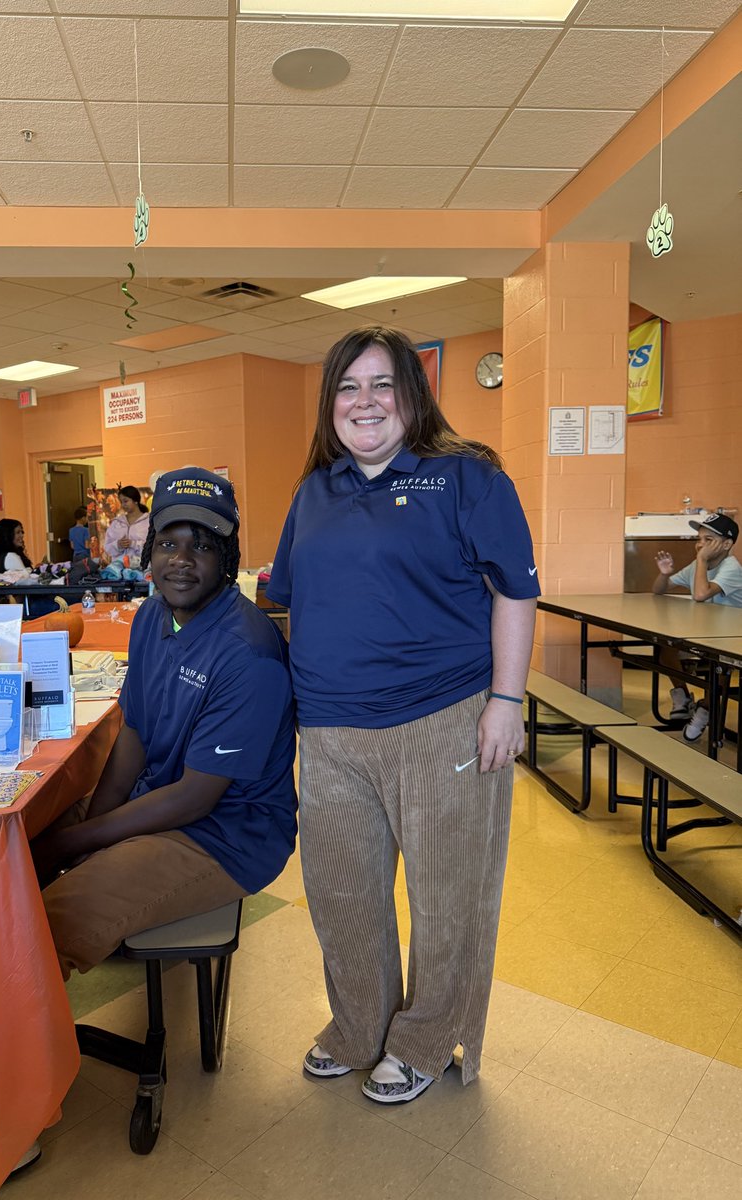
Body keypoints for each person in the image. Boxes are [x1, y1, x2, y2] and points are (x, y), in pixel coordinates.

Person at [267, 326, 538, 1103]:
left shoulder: (466, 477)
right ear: (331, 405)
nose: (365, 402)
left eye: (383, 384)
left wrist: (507, 702)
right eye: (349, 387)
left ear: (411, 397)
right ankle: (359, 1027)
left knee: (448, 897)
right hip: (329, 731)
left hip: (442, 720)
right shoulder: (314, 491)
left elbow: (514, 593)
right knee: (342, 894)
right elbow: (284, 599)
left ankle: (423, 1039)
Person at [33, 467, 297, 979]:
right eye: (168, 543)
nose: (180, 561)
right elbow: (133, 734)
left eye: (201, 546)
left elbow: (195, 798)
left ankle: (16, 1054)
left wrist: (77, 844)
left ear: (227, 559)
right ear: (149, 551)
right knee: (14, 857)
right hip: (155, 798)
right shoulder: (153, 618)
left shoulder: (249, 654)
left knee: (43, 924)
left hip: (222, 835)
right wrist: (91, 830)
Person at [652, 511, 742, 742]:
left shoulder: (731, 568)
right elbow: (659, 589)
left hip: (731, 637)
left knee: (719, 669)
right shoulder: (697, 565)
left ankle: (706, 708)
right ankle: (682, 695)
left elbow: (701, 594)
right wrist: (664, 574)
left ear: (726, 544)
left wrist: (701, 560)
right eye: (699, 539)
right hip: (705, 631)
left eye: (708, 540)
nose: (700, 545)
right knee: (666, 651)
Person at [102, 485, 149, 561]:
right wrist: (117, 545)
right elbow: (107, 547)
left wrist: (133, 544)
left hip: (141, 568)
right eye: (121, 502)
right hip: (119, 568)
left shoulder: (149, 521)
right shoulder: (116, 522)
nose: (123, 505)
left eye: (126, 501)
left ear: (136, 501)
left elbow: (153, 547)